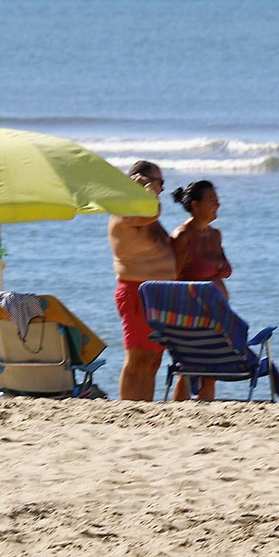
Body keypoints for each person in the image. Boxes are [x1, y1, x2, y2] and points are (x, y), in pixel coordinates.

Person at [108, 160, 177, 401]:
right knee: (137, 358)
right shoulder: (126, 211)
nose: (162, 189)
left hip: (157, 294)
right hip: (137, 291)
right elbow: (152, 210)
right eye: (160, 183)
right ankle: (128, 408)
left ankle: (145, 406)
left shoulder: (144, 216)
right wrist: (143, 188)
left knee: (153, 359)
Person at [169, 179, 232, 401]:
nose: (218, 205)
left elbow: (220, 270)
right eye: (213, 200)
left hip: (217, 316)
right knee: (188, 370)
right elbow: (172, 281)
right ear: (196, 205)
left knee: (210, 373)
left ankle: (204, 416)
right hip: (191, 317)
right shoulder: (182, 237)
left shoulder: (215, 235)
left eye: (218, 200)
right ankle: (178, 414)